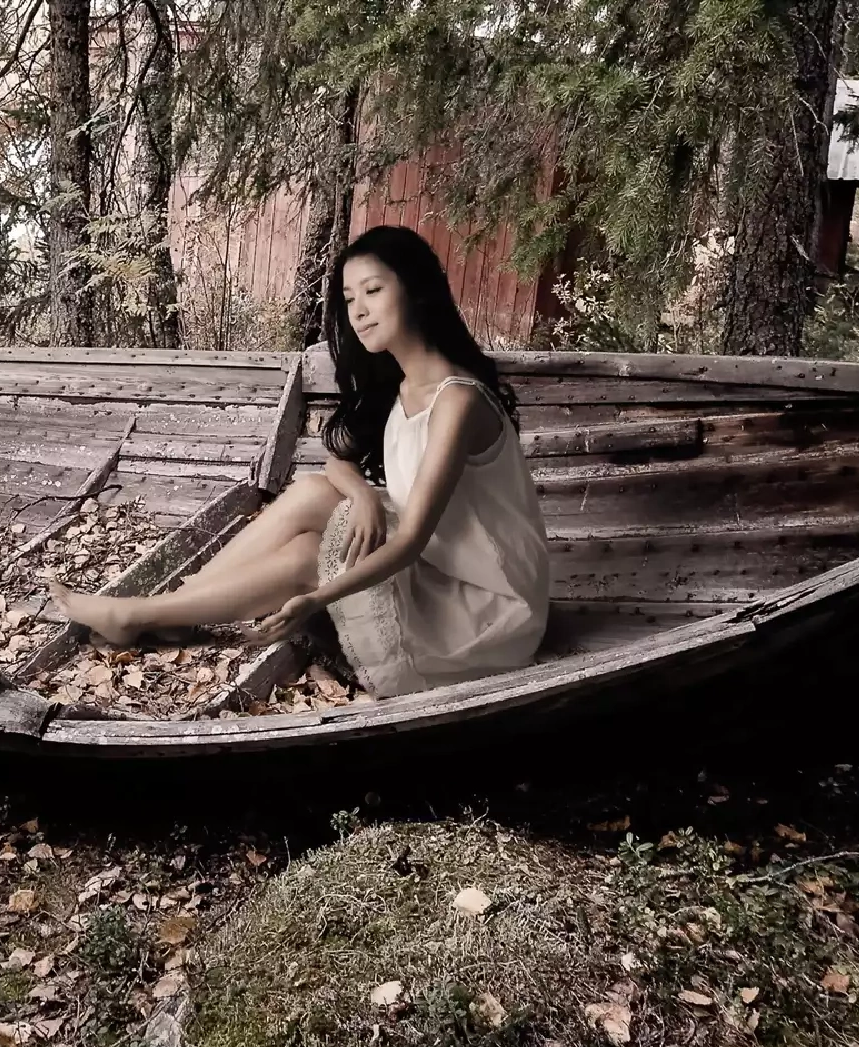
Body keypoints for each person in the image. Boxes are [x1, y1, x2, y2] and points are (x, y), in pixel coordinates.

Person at [47, 224, 550, 698]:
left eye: (373, 291)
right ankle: (176, 608)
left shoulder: (457, 399)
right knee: (313, 491)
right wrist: (362, 495)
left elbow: (412, 539)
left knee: (312, 556)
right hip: (438, 569)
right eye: (349, 299)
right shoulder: (403, 389)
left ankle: (141, 615)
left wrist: (317, 597)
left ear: (416, 290)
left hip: (488, 606)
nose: (359, 311)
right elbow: (335, 465)